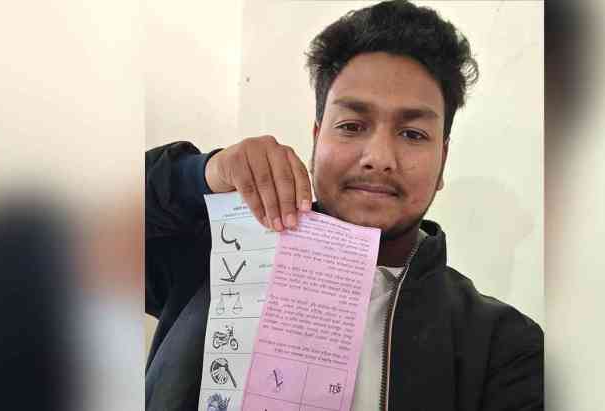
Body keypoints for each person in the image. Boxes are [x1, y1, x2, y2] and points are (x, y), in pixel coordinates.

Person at [145, 1, 543, 410]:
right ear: (316, 140)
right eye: (352, 126)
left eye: (412, 134)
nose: (379, 157)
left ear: (443, 160)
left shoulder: (506, 348)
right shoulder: (215, 256)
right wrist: (199, 175)